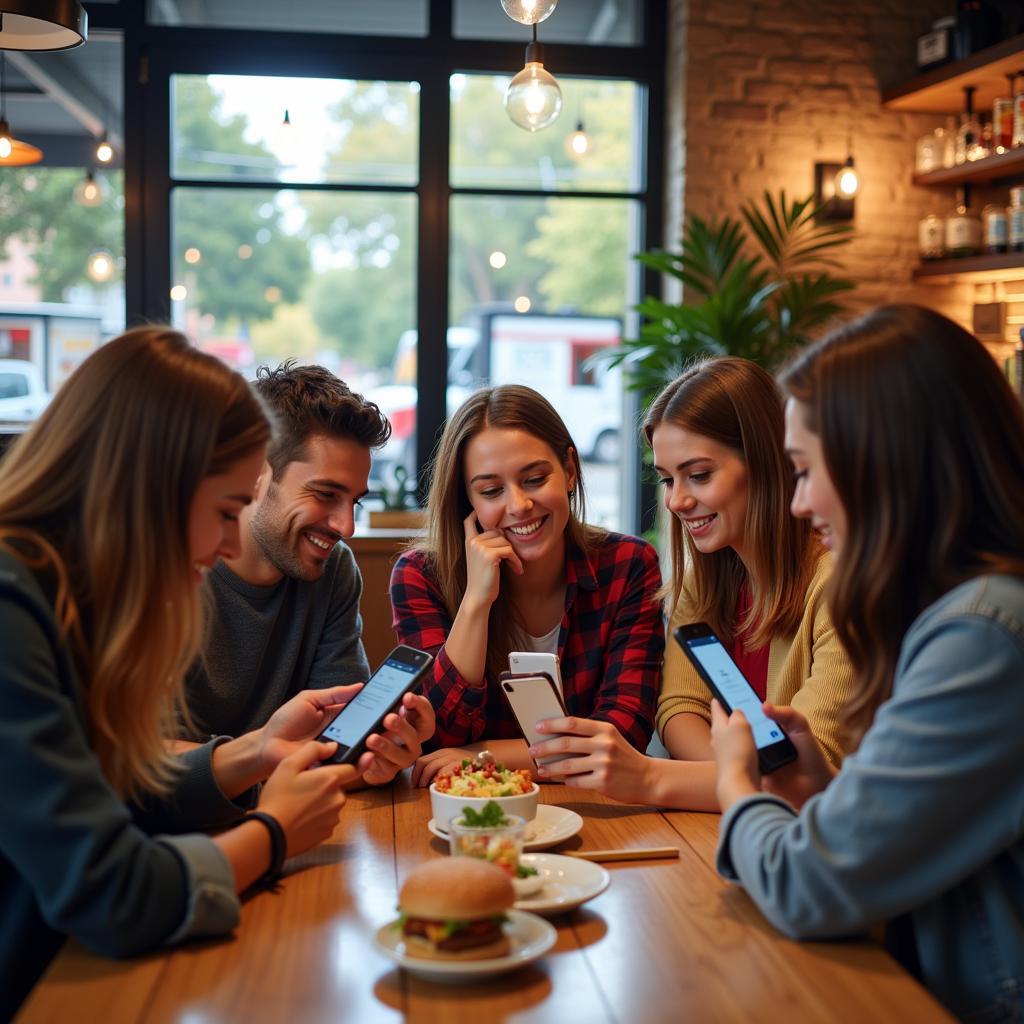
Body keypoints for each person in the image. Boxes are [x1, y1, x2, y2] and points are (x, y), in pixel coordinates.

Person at [0, 329, 392, 1019]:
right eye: (225, 511)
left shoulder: (64, 590)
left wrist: (256, 753)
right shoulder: (12, 608)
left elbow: (115, 789)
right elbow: (112, 892)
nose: (233, 543)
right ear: (150, 483)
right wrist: (272, 835)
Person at [710, 305, 1024, 1022]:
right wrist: (828, 789)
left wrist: (735, 780)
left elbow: (803, 885)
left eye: (805, 471)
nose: (796, 504)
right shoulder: (967, 613)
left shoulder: (983, 637)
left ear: (881, 462)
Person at [531, 357, 854, 809]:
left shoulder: (840, 586)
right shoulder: (706, 577)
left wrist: (652, 777)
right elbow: (680, 709)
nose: (677, 500)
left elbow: (808, 773)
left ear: (766, 463)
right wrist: (738, 782)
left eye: (698, 475)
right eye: (667, 478)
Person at [389, 384, 663, 784]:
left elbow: (622, 734)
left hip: (592, 810)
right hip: (465, 810)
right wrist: (476, 602)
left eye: (534, 479)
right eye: (491, 491)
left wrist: (479, 755)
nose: (518, 506)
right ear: (468, 502)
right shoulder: (420, 575)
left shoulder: (628, 565)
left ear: (569, 470)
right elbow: (440, 730)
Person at [183, 361, 434, 782]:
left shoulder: (333, 570)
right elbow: (145, 763)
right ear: (256, 473)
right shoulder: (174, 569)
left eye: (353, 501)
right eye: (325, 494)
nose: (346, 527)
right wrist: (274, 760)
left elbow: (337, 744)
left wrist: (375, 760)